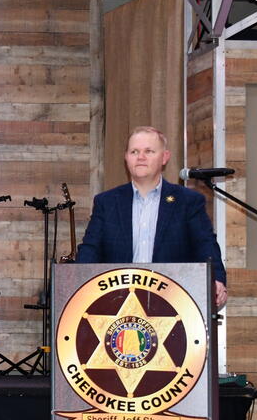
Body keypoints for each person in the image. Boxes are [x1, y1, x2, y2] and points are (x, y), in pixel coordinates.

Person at [76, 126, 228, 309]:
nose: (140, 157)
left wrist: (216, 279)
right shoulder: (106, 202)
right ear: (126, 158)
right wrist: (79, 283)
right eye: (134, 151)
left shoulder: (187, 201)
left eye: (148, 151)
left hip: (172, 304)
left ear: (164, 157)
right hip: (116, 304)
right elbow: (90, 250)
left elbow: (205, 245)